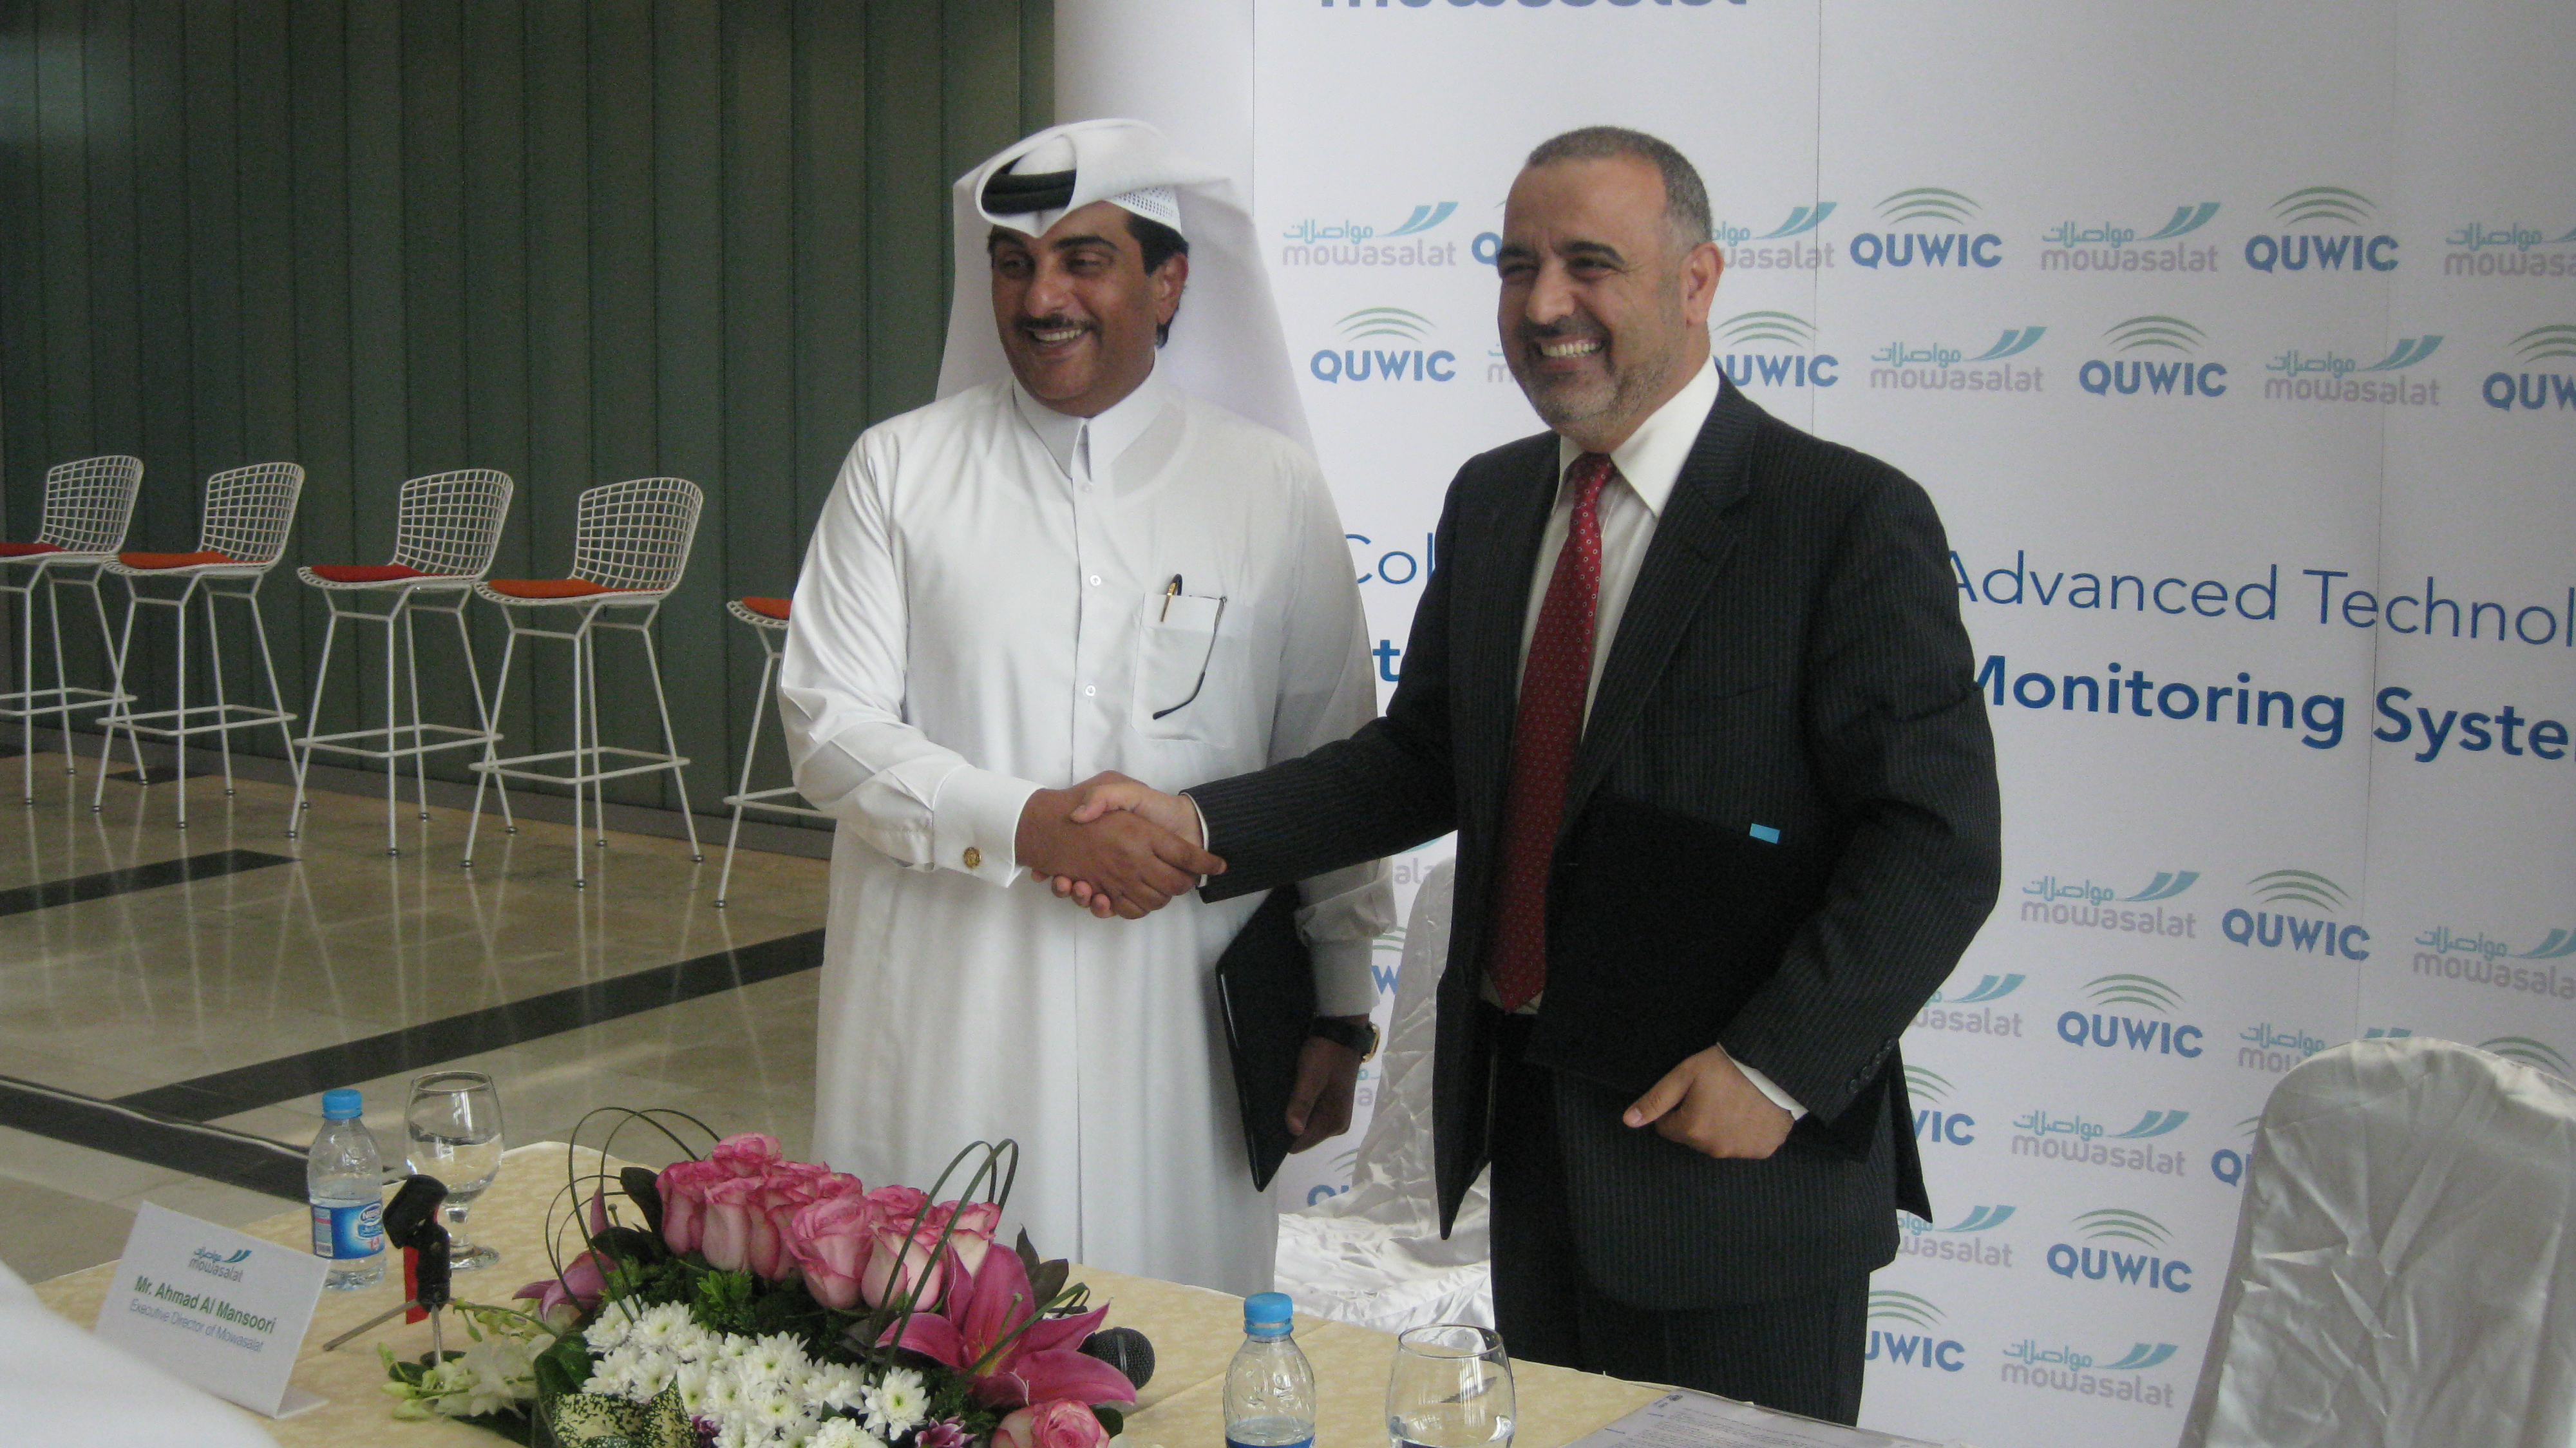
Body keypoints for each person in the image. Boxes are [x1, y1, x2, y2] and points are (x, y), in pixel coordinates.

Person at [1054, 127, 2000, 1420]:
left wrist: (1775, 1066)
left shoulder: (1838, 519)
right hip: (1535, 1151)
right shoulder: (1496, 502)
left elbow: (1935, 838)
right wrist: (1199, 817)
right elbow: (1421, 759)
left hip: (1738, 1180)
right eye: (1515, 265)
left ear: (1697, 279)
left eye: (1588, 264)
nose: (1544, 303)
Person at [776, 119, 1392, 1296]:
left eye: (1083, 260)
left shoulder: (1268, 486)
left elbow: (1333, 762)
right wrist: (1028, 825)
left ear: (1169, 283)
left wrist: (1340, 1009)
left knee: (1172, 1340)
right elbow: (829, 728)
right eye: (1014, 264)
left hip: (1183, 1037)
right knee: (928, 1351)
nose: (1042, 296)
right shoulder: (899, 470)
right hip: (951, 1011)